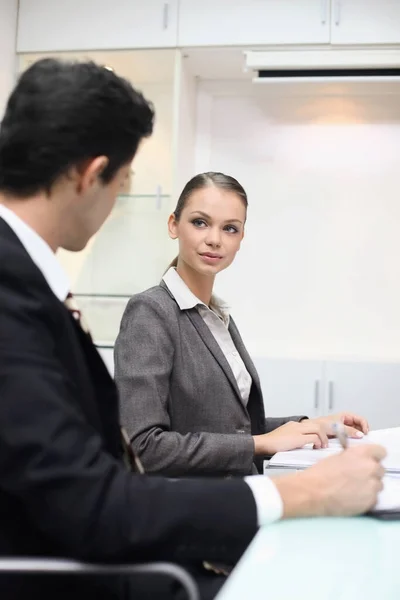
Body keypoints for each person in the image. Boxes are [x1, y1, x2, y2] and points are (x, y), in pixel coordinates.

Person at [0, 58, 386, 600]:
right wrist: (297, 494)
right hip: (135, 565)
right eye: (123, 183)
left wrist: (302, 426)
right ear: (92, 174)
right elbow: (119, 472)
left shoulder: (30, 282)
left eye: (230, 228)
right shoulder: (27, 295)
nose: (214, 239)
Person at [115, 172, 369, 477]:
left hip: (235, 497)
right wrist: (258, 444)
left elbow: (230, 426)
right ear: (173, 225)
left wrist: (310, 426)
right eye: (200, 222)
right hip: (188, 510)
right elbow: (143, 447)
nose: (214, 239)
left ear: (240, 239)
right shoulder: (151, 311)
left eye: (230, 228)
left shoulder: (217, 315)